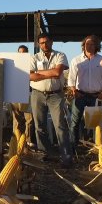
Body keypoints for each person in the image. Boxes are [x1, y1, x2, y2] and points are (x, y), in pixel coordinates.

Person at [30, 32, 73, 167]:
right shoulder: (34, 57)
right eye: (42, 43)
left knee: (60, 126)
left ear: (52, 42)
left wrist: (39, 74)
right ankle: (45, 155)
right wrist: (50, 73)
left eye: (47, 42)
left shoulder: (60, 55)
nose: (44, 45)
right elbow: (30, 76)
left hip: (56, 94)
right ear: (38, 44)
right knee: (39, 126)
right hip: (37, 94)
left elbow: (57, 73)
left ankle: (66, 157)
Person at [68, 35, 102, 149]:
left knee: (99, 124)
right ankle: (73, 147)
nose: (89, 46)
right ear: (83, 46)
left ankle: (101, 147)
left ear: (97, 46)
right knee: (75, 122)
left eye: (92, 44)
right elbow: (71, 78)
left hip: (96, 96)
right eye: (87, 44)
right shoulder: (76, 60)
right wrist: (74, 90)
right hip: (80, 95)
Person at [11, 45, 36, 147]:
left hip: (28, 93)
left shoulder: (31, 64)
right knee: (17, 119)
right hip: (16, 94)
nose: (22, 54)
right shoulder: (13, 65)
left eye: (24, 52)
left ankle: (28, 140)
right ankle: (17, 140)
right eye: (20, 52)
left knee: (29, 119)